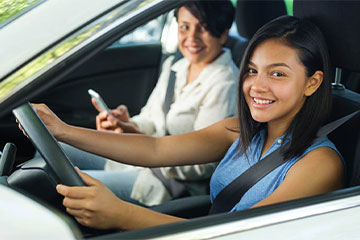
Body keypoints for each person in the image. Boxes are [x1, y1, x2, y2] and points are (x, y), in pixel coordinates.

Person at [29, 15, 344, 230]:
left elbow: (239, 235)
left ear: (312, 83)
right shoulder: (239, 130)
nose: (257, 86)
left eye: (277, 73)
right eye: (251, 70)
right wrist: (63, 131)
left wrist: (121, 214)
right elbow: (154, 149)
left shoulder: (319, 163)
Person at [51, 0, 238, 206]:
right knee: (53, 147)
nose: (191, 37)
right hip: (139, 160)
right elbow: (151, 118)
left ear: (223, 34)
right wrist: (127, 125)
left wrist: (143, 145)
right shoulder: (176, 66)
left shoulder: (225, 83)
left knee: (60, 184)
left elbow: (203, 164)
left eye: (203, 28)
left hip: (167, 183)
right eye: (185, 27)